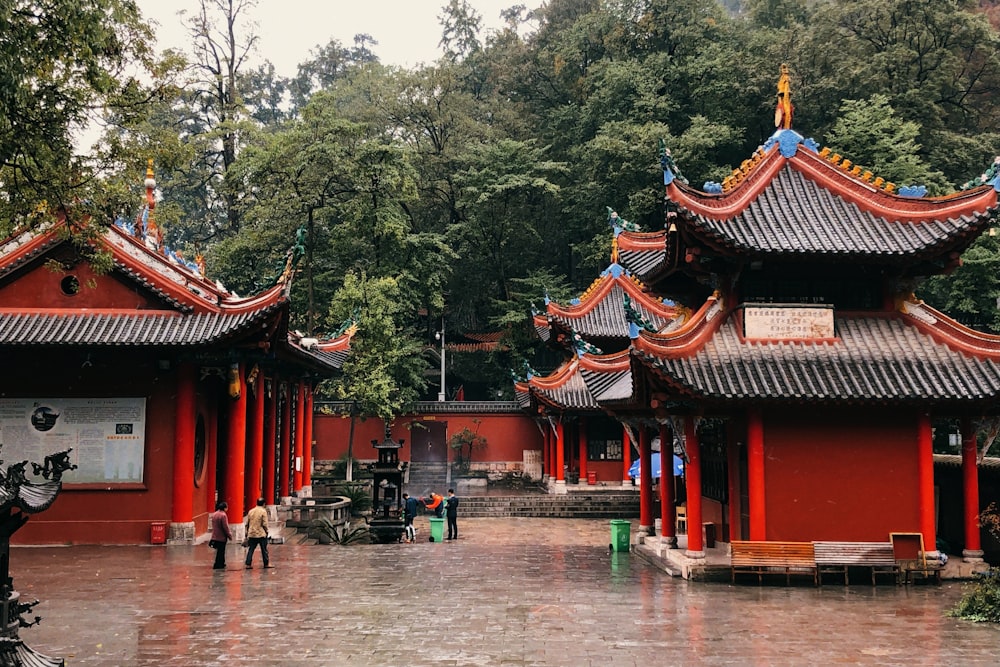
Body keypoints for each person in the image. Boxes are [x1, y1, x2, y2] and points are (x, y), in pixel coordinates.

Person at [244, 497, 271, 569]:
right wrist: (267, 531)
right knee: (264, 549)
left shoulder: (251, 511)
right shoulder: (263, 511)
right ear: (264, 504)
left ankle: (248, 564)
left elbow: (247, 523)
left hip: (252, 532)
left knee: (251, 549)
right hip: (261, 533)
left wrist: (246, 533)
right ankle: (266, 563)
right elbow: (265, 524)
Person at [210, 501, 232, 570]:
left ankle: (221, 563)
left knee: (219, 550)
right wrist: (229, 535)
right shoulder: (223, 515)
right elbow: (225, 527)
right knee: (221, 551)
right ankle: (218, 564)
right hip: (221, 536)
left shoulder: (214, 514)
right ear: (224, 508)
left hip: (215, 535)